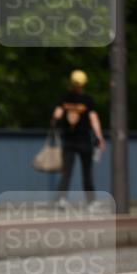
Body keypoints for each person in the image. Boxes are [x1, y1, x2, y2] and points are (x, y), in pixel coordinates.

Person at [51, 69, 105, 208]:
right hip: (84, 140)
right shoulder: (87, 100)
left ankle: (62, 199)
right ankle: (91, 201)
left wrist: (56, 124)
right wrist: (99, 137)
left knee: (66, 172)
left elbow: (56, 115)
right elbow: (94, 119)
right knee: (87, 172)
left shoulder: (65, 98)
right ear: (84, 83)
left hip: (68, 140)